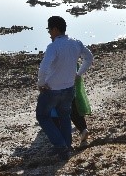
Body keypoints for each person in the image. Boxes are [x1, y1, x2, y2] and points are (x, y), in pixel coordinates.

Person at [36, 16, 94, 160]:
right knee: (65, 116)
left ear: (55, 29)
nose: (49, 33)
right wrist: (78, 74)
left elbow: (43, 68)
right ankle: (67, 146)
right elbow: (89, 57)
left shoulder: (53, 46)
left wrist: (41, 84)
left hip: (52, 90)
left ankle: (61, 145)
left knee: (42, 116)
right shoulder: (75, 43)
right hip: (69, 88)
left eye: (49, 30)